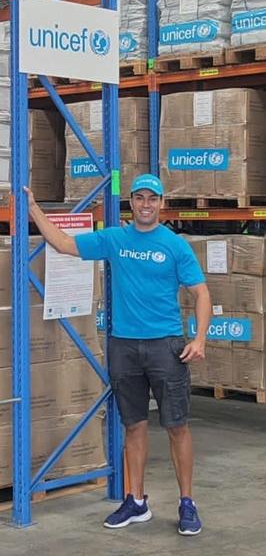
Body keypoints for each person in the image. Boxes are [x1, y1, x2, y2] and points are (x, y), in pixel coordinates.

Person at [25, 173, 211, 537]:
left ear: (161, 204)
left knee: (176, 427)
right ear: (132, 202)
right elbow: (64, 244)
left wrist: (200, 338)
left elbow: (201, 293)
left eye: (152, 199)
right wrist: (33, 208)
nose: (145, 204)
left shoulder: (175, 246)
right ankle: (136, 500)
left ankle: (187, 502)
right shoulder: (115, 239)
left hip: (166, 346)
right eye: (139, 198)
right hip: (124, 345)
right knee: (134, 425)